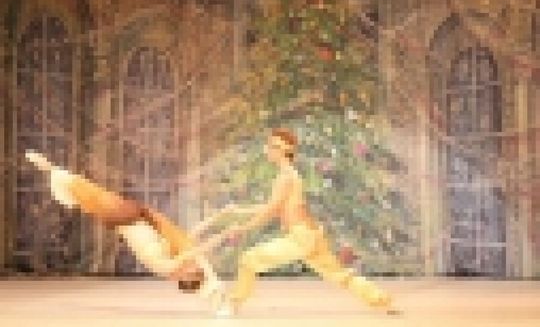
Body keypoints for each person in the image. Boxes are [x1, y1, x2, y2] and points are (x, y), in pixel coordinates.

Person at [204, 128, 394, 316]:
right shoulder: (288, 174)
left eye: (273, 146)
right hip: (310, 234)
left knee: (249, 260)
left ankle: (233, 305)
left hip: (300, 237)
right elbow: (276, 205)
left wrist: (243, 228)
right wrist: (240, 211)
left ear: (284, 150)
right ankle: (382, 300)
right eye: (269, 145)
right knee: (338, 274)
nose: (268, 150)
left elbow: (272, 210)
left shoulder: (286, 177)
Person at [24, 150, 230, 308]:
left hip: (126, 220)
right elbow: (190, 237)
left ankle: (52, 171)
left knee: (91, 196)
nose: (193, 267)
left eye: (192, 272)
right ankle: (54, 173)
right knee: (91, 197)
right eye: (195, 270)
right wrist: (219, 219)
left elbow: (197, 251)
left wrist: (221, 239)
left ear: (185, 278)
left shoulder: (169, 268)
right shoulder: (176, 258)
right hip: (132, 218)